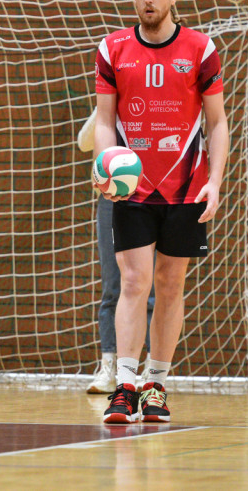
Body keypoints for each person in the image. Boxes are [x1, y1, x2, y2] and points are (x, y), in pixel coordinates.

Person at [92, 0, 229, 424]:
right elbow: (105, 122)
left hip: (187, 186)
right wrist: (107, 167)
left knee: (171, 285)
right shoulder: (112, 49)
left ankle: (155, 384)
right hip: (132, 188)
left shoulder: (201, 48)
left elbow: (218, 122)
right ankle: (125, 387)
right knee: (133, 283)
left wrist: (216, 181)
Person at [77, 111, 155, 394]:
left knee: (150, 288)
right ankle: (108, 365)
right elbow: (83, 142)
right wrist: (102, 111)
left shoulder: (156, 105)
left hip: (156, 196)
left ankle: (149, 368)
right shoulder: (110, 103)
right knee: (113, 286)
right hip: (114, 199)